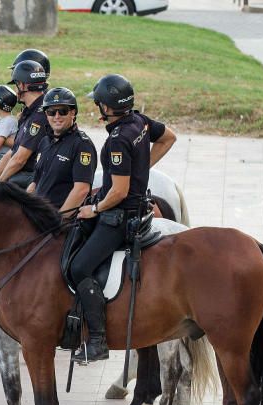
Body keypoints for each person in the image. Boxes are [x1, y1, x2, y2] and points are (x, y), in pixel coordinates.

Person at [70, 74, 177, 362]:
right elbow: (169, 137)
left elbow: (118, 191)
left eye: (99, 104)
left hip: (119, 217)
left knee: (79, 267)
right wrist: (141, 168)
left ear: (108, 106)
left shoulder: (117, 140)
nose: (97, 108)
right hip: (139, 207)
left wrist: (94, 209)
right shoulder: (140, 122)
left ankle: (96, 340)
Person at [27, 88, 98, 213]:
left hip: (61, 220)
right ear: (46, 115)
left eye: (63, 111)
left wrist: (59, 220)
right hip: (39, 217)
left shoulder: (82, 145)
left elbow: (81, 190)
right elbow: (35, 183)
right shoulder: (44, 142)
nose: (57, 116)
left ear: (73, 113)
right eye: (51, 112)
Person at [0, 60, 49, 188]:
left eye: (16, 85)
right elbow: (13, 153)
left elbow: (20, 159)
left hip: (34, 177)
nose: (15, 89)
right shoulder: (29, 111)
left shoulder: (39, 116)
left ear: (22, 85)